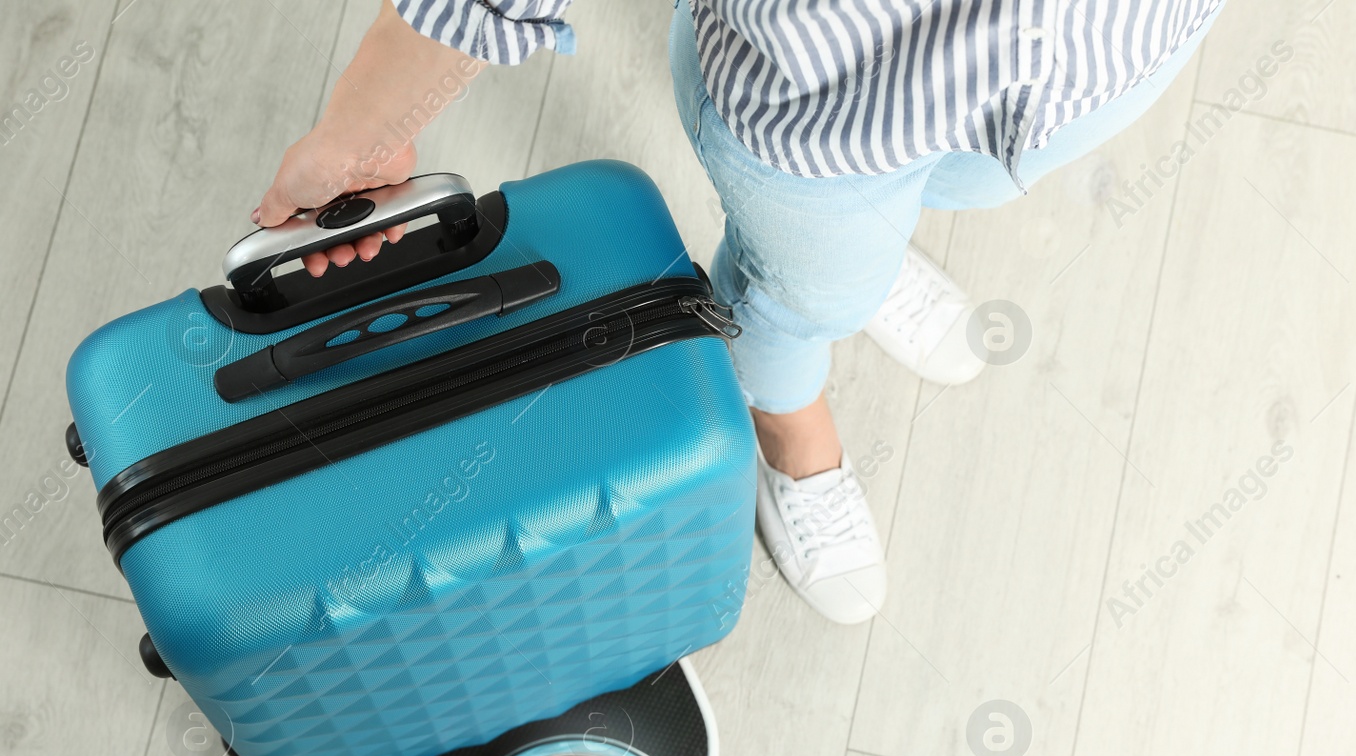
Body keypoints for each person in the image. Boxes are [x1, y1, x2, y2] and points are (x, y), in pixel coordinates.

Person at [256, 0, 1224, 624]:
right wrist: (367, 131)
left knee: (959, 188)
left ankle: (858, 258)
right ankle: (793, 423)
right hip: (827, 105)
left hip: (1118, 45)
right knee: (798, 296)